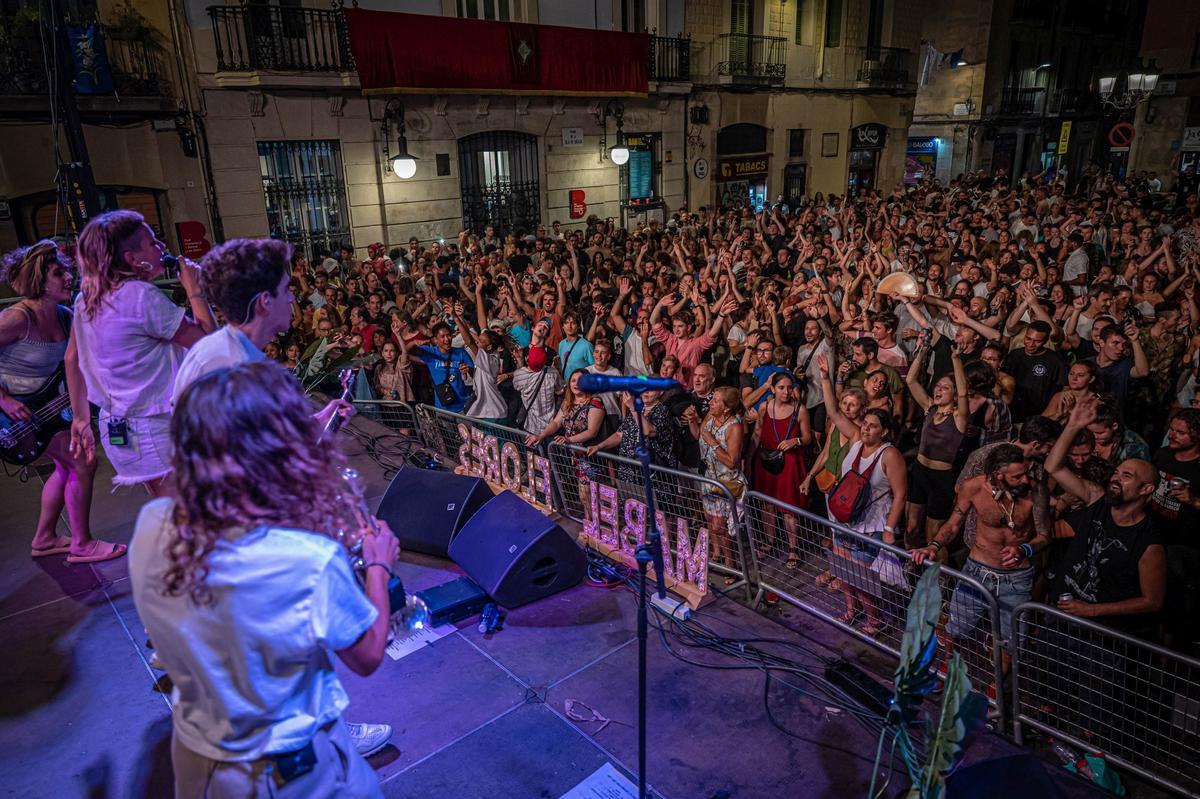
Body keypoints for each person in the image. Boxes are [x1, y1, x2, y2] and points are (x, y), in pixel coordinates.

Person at [130, 362, 394, 798]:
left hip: (200, 763)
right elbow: (367, 655)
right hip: (292, 778)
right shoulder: (305, 560)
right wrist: (378, 567)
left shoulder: (152, 524)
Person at [71, 210, 217, 494]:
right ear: (131, 258)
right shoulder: (140, 297)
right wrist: (195, 290)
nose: (162, 247)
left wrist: (80, 417)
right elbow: (210, 346)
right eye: (152, 243)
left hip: (119, 426)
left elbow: (72, 359)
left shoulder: (87, 296)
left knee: (171, 513)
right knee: (186, 519)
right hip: (153, 428)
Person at [0, 242, 123, 563]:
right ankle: (81, 544)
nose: (69, 277)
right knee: (83, 462)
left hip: (49, 412)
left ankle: (44, 538)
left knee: (64, 466)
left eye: (68, 271)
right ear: (39, 281)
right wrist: (5, 400)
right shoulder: (16, 319)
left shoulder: (66, 317)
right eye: (59, 273)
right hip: (12, 416)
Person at [914, 445, 1045, 674]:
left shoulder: (1036, 491)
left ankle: (998, 688)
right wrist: (933, 546)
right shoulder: (973, 487)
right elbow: (954, 523)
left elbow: (1045, 535)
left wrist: (1025, 549)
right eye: (1017, 476)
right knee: (957, 628)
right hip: (977, 573)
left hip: (1016, 579)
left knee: (1011, 640)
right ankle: (947, 670)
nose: (1025, 479)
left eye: (1025, 473)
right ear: (997, 474)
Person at [831, 408, 906, 636]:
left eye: (872, 425)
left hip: (871, 526)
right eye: (864, 423)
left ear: (883, 431)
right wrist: (826, 378)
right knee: (843, 573)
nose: (865, 428)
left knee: (861, 580)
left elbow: (901, 494)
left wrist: (889, 528)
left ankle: (875, 618)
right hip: (846, 522)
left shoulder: (890, 454)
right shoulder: (856, 445)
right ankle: (851, 609)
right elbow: (835, 413)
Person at [904, 343, 970, 548]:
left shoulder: (960, 417)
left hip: (941, 480)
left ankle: (937, 578)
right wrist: (922, 352)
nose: (939, 389)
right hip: (919, 472)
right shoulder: (930, 407)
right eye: (938, 386)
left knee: (933, 535)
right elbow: (910, 380)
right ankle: (910, 569)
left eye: (945, 388)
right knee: (911, 528)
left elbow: (963, 395)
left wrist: (956, 359)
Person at [751, 372, 813, 569]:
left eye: (789, 387)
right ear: (772, 389)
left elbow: (808, 438)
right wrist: (748, 459)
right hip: (765, 460)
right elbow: (758, 432)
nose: (786, 392)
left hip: (790, 463)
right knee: (767, 504)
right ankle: (769, 541)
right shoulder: (764, 407)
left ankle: (793, 548)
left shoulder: (800, 410)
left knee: (789, 508)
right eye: (781, 388)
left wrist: (795, 441)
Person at [699, 386, 746, 579]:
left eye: (716, 400)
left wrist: (713, 443)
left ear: (726, 408)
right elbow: (700, 435)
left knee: (721, 527)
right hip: (709, 478)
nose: (711, 402)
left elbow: (732, 461)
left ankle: (731, 565)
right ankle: (718, 555)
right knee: (711, 521)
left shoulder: (734, 427)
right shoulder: (711, 418)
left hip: (726, 483)